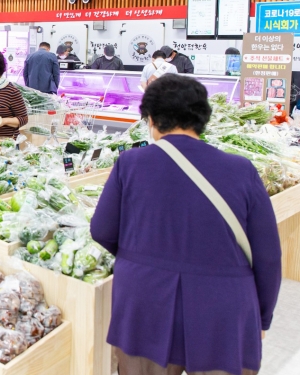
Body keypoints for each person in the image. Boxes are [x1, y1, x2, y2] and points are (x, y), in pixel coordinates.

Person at [91, 74, 281, 375]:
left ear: (150, 119)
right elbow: (268, 255)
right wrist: (263, 317)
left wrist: (137, 254)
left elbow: (101, 230)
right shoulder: (241, 170)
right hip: (222, 307)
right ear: (202, 118)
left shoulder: (130, 163)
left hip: (145, 299)